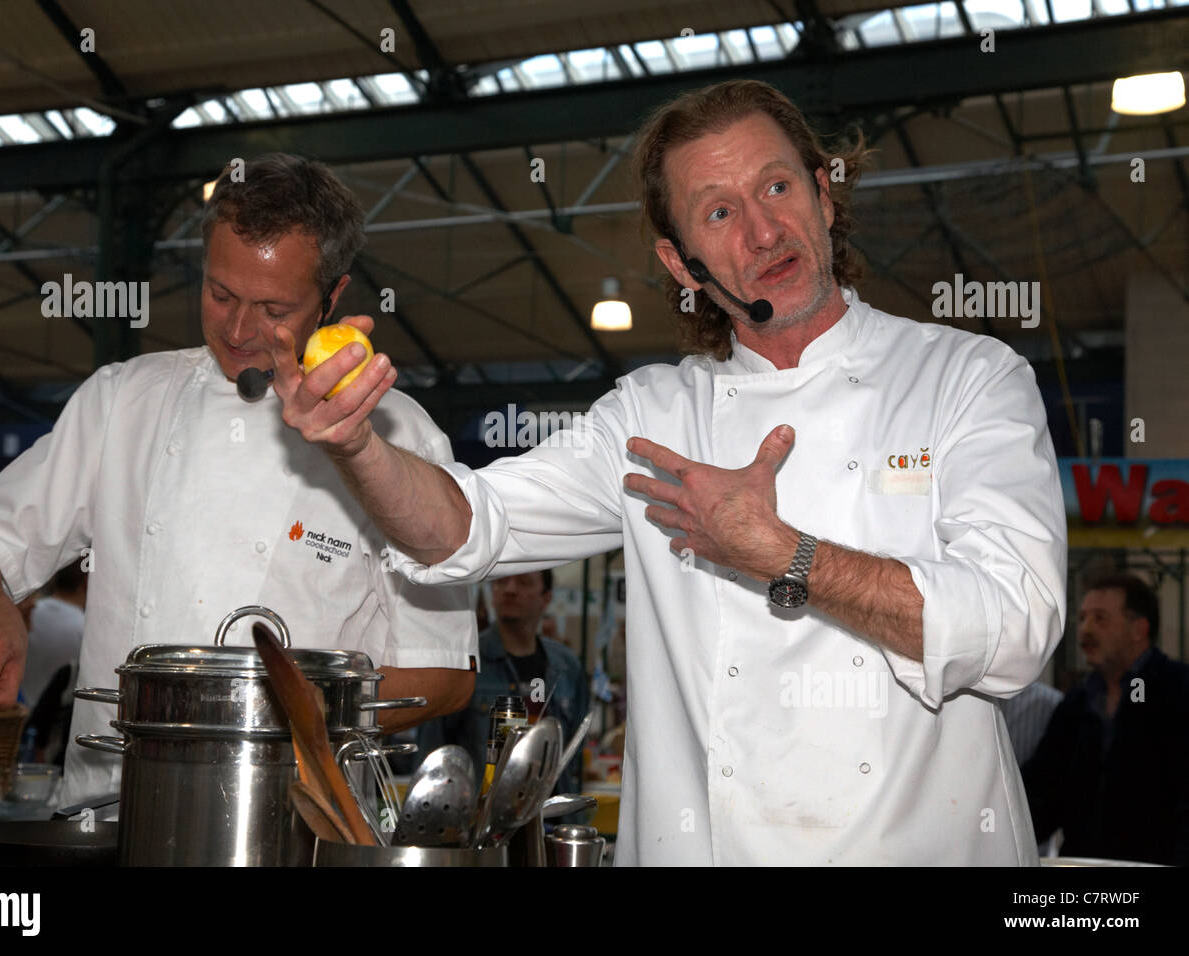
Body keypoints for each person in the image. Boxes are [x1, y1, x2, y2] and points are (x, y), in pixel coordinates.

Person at [264, 81, 1068, 865]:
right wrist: (356, 448)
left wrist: (787, 556)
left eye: (778, 186)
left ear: (824, 196)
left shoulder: (968, 377)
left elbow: (1017, 631)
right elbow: (468, 525)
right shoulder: (650, 417)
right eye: (719, 212)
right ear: (682, 264)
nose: (762, 232)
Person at [0, 153, 476, 806]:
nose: (238, 330)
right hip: (109, 820)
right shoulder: (122, 402)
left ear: (332, 296)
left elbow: (443, 672)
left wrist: (246, 722)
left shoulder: (398, 437)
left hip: (297, 825)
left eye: (273, 306)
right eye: (220, 293)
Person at [1023, 574, 1189, 864]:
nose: (1085, 629)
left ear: (1139, 630)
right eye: (1083, 617)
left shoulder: (1179, 690)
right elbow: (1042, 793)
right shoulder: (1077, 702)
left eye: (1101, 619)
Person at [417, 570, 589, 797]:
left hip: (551, 818)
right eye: (501, 582)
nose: (510, 590)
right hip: (483, 821)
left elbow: (574, 753)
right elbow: (433, 753)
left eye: (524, 582)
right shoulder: (465, 663)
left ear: (546, 597)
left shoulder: (566, 667)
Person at [19, 563, 87, 711]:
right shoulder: (85, 630)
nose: (29, 604)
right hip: (48, 722)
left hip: (23, 714)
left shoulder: (31, 612)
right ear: (86, 582)